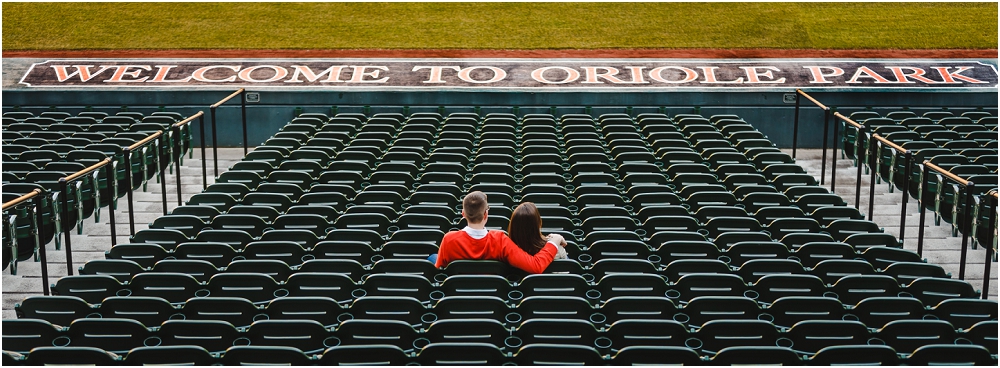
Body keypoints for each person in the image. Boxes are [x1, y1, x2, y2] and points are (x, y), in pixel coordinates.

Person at [433, 191, 565, 273]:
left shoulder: (449, 239)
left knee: (433, 257)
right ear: (486, 215)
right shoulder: (500, 240)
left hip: (458, 292)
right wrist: (554, 241)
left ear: (463, 214)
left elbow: (438, 270)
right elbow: (535, 266)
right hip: (491, 293)